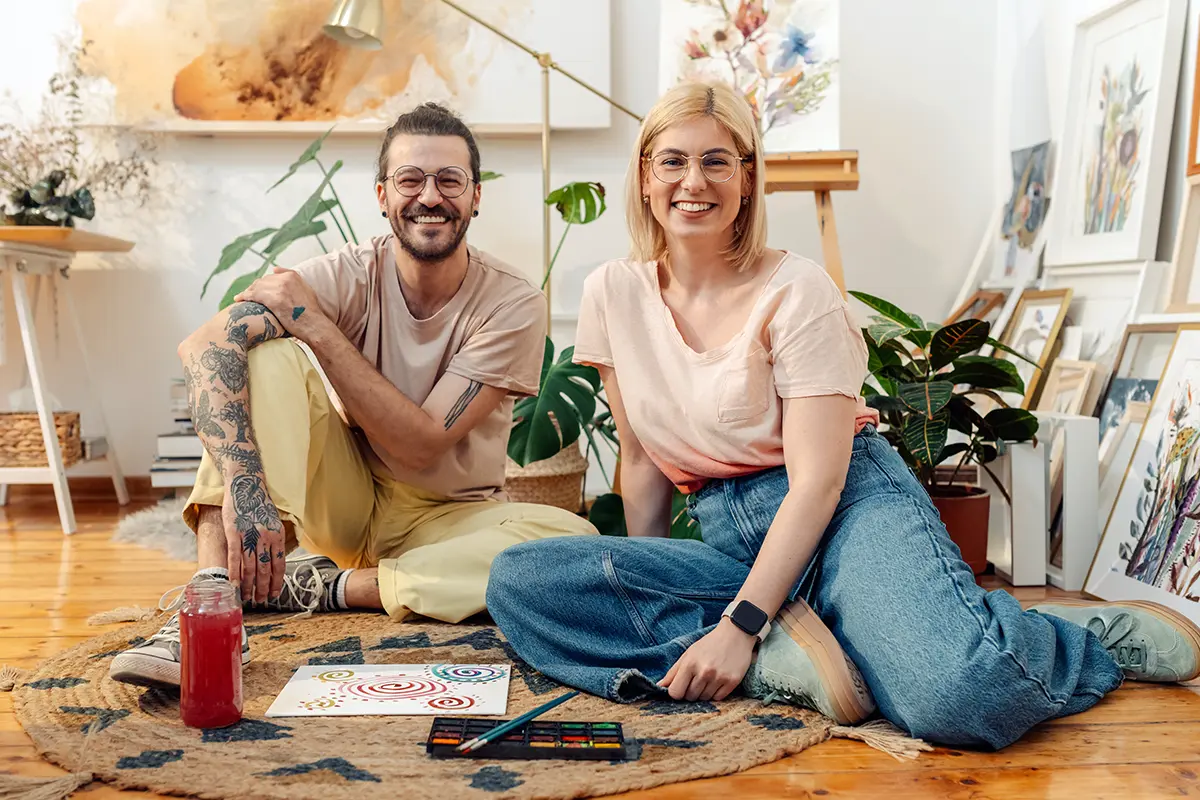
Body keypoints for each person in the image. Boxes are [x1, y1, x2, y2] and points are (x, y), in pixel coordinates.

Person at [485, 81, 1200, 748]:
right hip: (726, 531)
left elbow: (817, 485)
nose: (692, 182)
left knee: (958, 697)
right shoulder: (615, 290)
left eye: (716, 162)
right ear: (645, 175)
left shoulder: (799, 290)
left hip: (844, 508)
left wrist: (736, 622)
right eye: (671, 161)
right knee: (520, 581)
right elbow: (641, 462)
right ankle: (785, 650)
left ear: (748, 177)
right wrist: (647, 571)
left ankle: (1082, 638)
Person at [110, 102, 597, 690]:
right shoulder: (347, 271)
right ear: (382, 195)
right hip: (344, 496)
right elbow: (204, 346)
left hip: (449, 516)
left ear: (475, 196)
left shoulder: (511, 302)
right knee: (261, 355)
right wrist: (244, 482)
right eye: (410, 180)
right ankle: (213, 597)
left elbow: (418, 447)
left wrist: (315, 326)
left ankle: (326, 587)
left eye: (450, 180)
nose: (430, 196)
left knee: (574, 538)